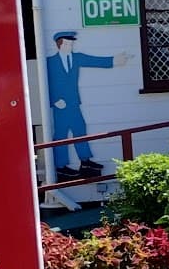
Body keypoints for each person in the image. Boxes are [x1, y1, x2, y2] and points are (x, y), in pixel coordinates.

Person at [46, 30, 128, 178]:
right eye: (67, 43)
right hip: (60, 105)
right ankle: (61, 166)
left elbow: (94, 60)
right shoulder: (50, 62)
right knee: (61, 134)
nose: (70, 46)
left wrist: (115, 60)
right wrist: (54, 99)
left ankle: (85, 161)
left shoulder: (77, 58)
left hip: (74, 103)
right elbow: (42, 83)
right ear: (59, 44)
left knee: (80, 130)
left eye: (71, 43)